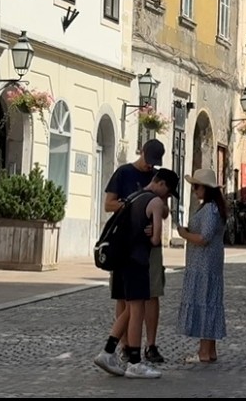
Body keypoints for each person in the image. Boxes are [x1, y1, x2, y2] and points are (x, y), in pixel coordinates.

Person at [94, 167, 179, 379]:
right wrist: (151, 231)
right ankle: (134, 362)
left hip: (121, 261)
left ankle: (108, 351)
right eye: (168, 192)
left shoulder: (132, 197)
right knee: (137, 311)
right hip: (138, 261)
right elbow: (156, 239)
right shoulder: (155, 202)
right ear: (160, 184)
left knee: (129, 310)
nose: (167, 197)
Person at [102, 139, 166, 364]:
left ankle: (151, 344)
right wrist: (131, 205)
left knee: (152, 292)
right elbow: (108, 204)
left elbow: (163, 211)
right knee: (123, 296)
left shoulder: (157, 178)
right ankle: (125, 346)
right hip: (125, 243)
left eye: (154, 163)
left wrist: (154, 219)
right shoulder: (124, 173)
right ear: (142, 153)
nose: (150, 166)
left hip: (148, 245)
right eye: (149, 161)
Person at [176, 167, 228, 364]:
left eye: (197, 186)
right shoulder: (213, 207)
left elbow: (204, 237)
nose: (194, 190)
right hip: (207, 264)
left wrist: (184, 235)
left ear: (206, 188)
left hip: (204, 264)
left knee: (205, 303)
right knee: (210, 303)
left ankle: (204, 351)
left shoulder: (210, 209)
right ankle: (209, 349)